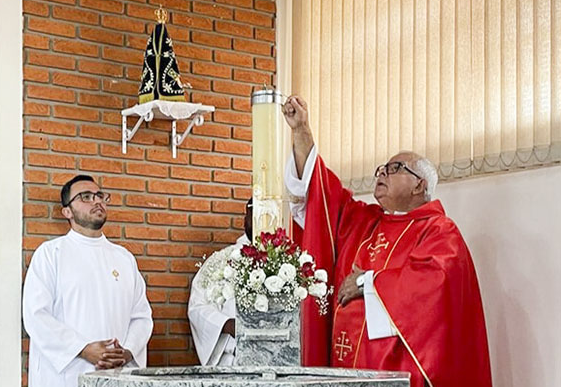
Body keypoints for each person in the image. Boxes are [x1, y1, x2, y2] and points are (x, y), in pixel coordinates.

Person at [282, 95, 492, 387]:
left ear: (420, 184)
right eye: (381, 169)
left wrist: (367, 282)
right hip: (343, 365)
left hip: (395, 372)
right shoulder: (364, 222)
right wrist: (301, 131)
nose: (382, 174)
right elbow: (321, 194)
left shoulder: (439, 231)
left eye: (394, 169)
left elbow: (433, 286)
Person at [23, 175, 153, 387]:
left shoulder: (124, 258)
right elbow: (36, 316)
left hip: (117, 373)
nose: (96, 201)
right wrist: (83, 349)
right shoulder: (50, 254)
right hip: (66, 375)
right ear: (67, 211)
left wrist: (127, 351)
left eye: (99, 196)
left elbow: (141, 316)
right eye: (86, 197)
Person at [188, 199, 252, 365]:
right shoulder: (221, 260)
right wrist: (225, 324)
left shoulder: (283, 262)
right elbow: (197, 307)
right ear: (245, 219)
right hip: (230, 362)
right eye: (254, 212)